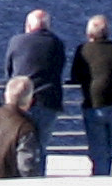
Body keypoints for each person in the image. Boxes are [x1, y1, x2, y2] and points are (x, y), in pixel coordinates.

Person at [4, 10, 66, 173]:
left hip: (19, 101)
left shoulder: (16, 41)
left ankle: (17, 184)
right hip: (47, 100)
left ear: (29, 25)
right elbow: (59, 68)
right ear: (47, 26)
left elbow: (9, 70)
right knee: (40, 148)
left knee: (17, 145)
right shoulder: (56, 43)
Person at [71, 16, 112, 177]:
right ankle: (105, 178)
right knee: (109, 146)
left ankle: (99, 184)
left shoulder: (83, 49)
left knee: (98, 148)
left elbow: (76, 75)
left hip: (95, 102)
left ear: (89, 33)